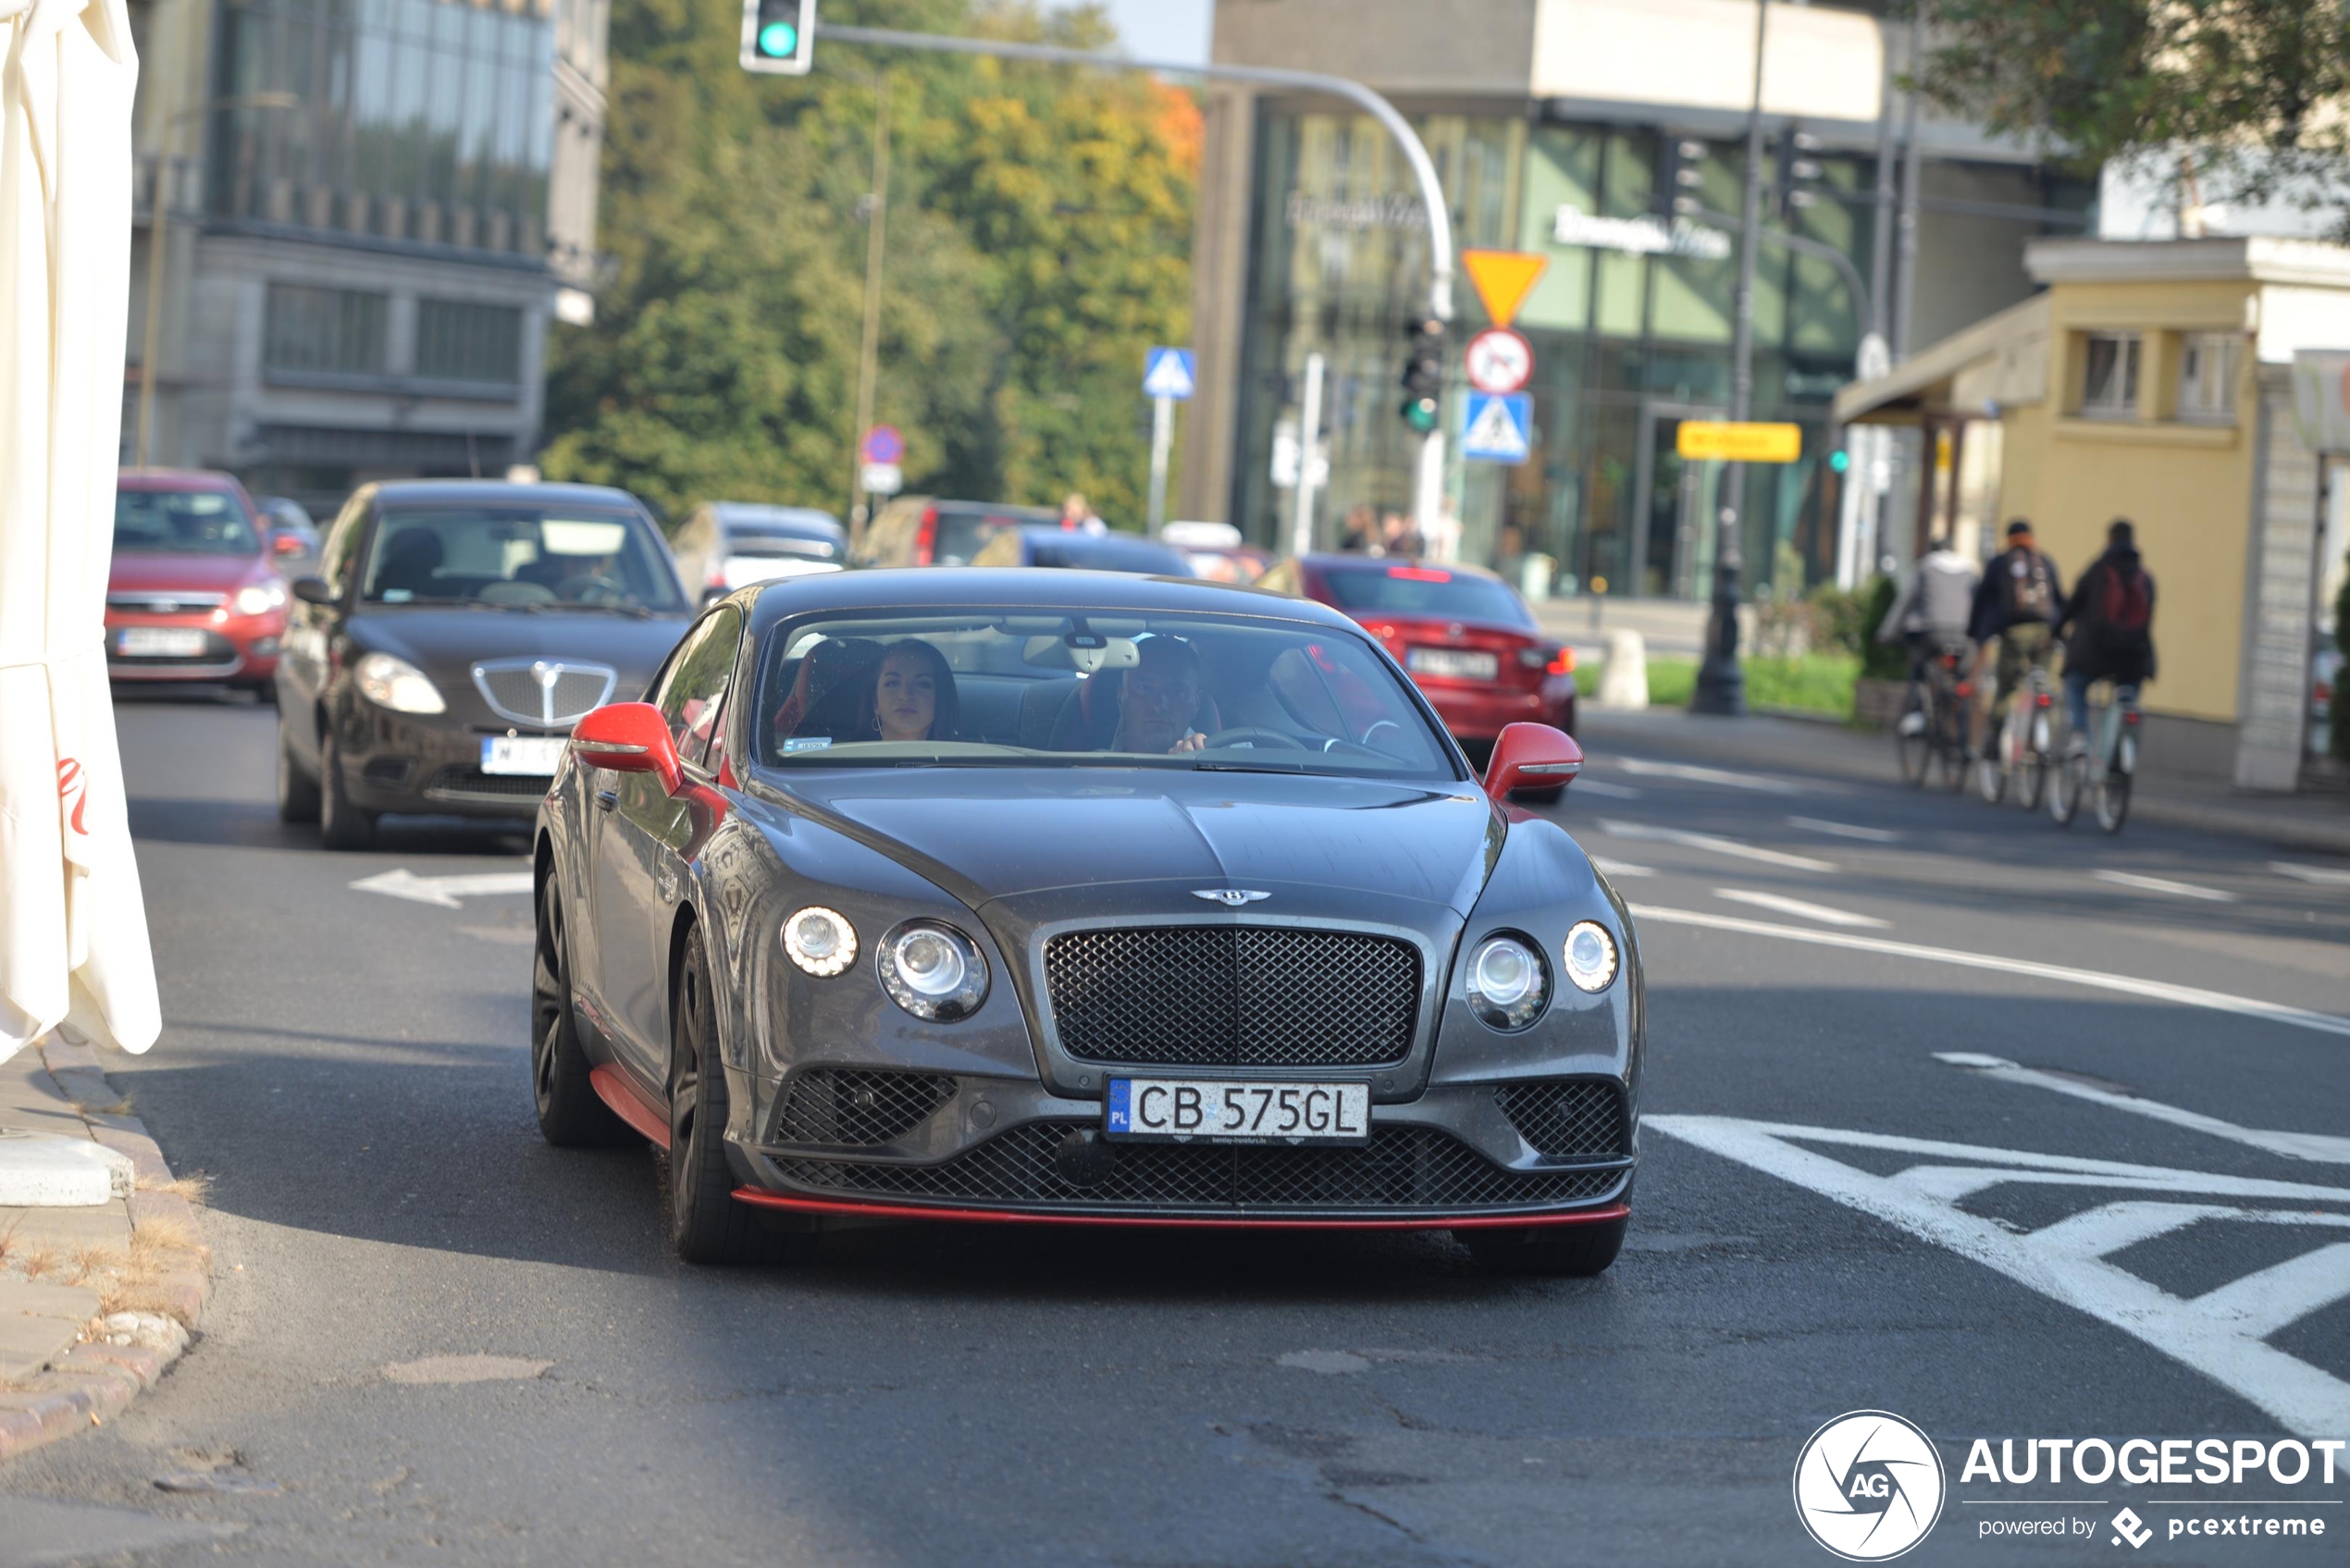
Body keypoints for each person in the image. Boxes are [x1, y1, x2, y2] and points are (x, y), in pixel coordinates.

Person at [2055, 518, 2157, 751]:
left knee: (2075, 684)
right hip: (2134, 657)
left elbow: (2072, 605)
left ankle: (2080, 735)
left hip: (2095, 653)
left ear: (2109, 539)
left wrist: (2055, 633)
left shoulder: (2098, 570)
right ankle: (2123, 748)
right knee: (2128, 698)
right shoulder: (2145, 577)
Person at [1968, 518, 2066, 745]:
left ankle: (1994, 738)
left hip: (2013, 635)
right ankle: (2044, 736)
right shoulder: (2045, 562)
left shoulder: (2000, 562)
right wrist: (2059, 634)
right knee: (2045, 685)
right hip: (2045, 634)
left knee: (2006, 687)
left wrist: (1975, 633)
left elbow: (1982, 601)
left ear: (2009, 538)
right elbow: (2060, 600)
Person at [1876, 533, 1980, 673]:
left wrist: (1885, 633)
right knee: (1962, 674)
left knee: (1919, 669)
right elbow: (1979, 602)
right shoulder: (1970, 571)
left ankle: (1919, 689)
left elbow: (1905, 602)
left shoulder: (1925, 567)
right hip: (1963, 632)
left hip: (1931, 631)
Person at [1113, 635, 1209, 753]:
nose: (1159, 706)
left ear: (1197, 703)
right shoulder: (1089, 765)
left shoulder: (1217, 764)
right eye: (1145, 688)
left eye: (1177, 692)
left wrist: (1202, 758)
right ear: (1121, 698)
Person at [855, 639, 959, 743]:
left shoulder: (967, 758)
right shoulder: (843, 757)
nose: (905, 695)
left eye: (922, 684)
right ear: (875, 702)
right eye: (893, 683)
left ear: (941, 699)